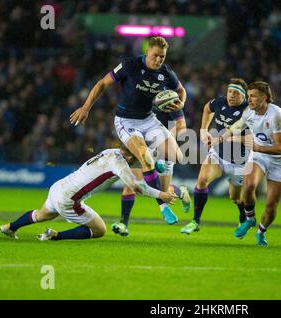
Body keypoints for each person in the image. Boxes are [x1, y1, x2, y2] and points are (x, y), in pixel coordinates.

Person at [69, 36, 186, 225]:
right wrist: (86, 107)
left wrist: (181, 102)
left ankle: (157, 165)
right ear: (147, 52)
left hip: (148, 119)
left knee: (176, 156)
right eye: (155, 56)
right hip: (126, 121)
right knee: (143, 157)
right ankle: (163, 206)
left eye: (162, 57)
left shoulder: (166, 72)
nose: (158, 60)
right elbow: (102, 84)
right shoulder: (129, 65)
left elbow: (181, 90)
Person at [0, 148, 177, 241]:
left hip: (59, 187)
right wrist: (161, 194)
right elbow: (137, 187)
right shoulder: (120, 165)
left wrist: (155, 166)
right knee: (100, 230)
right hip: (69, 199)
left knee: (42, 214)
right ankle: (55, 236)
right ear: (132, 155)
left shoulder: (111, 152)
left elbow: (129, 171)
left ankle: (10, 227)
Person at [214, 81, 281, 246]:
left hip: (278, 161)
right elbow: (235, 127)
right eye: (248, 96)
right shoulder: (249, 113)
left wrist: (255, 146)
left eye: (253, 96)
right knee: (248, 186)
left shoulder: (277, 115)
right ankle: (250, 219)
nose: (249, 100)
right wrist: (219, 138)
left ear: (265, 98)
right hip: (258, 156)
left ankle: (261, 231)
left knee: (271, 205)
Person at [181, 78, 249, 234]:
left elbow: (253, 138)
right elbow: (207, 108)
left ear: (244, 96)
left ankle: (243, 217)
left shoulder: (249, 111)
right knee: (202, 180)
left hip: (239, 161)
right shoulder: (220, 102)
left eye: (236, 93)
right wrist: (203, 131)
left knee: (236, 198)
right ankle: (195, 221)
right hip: (218, 153)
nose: (231, 95)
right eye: (230, 91)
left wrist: (231, 138)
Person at [111, 108, 191, 237]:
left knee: (164, 192)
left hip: (163, 151)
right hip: (140, 144)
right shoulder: (139, 98)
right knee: (132, 184)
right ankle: (123, 224)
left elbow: (181, 126)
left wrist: (161, 140)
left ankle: (180, 192)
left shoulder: (170, 97)